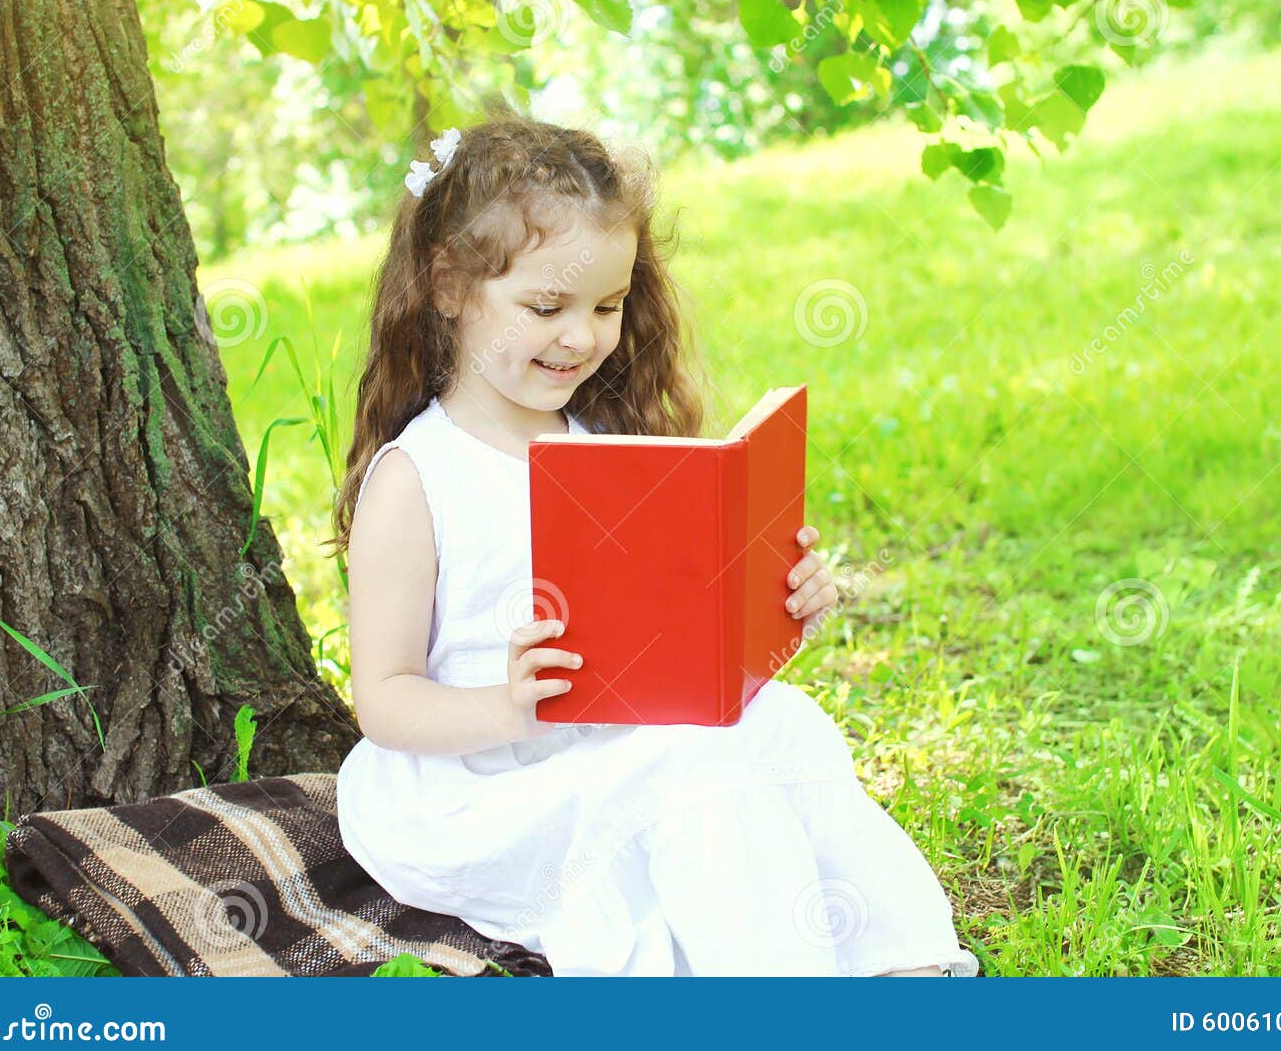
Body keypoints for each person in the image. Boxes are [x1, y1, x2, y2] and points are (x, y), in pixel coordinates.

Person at [328, 113, 979, 977]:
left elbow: (674, 632)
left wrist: (773, 600)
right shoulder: (420, 479)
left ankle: (898, 960)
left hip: (621, 744)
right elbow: (385, 701)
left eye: (607, 305)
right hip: (481, 783)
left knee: (779, 723)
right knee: (694, 770)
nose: (582, 337)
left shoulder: (611, 445)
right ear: (448, 286)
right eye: (545, 306)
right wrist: (512, 706)